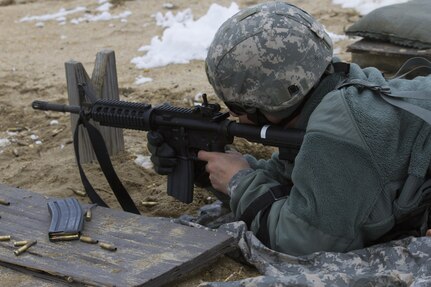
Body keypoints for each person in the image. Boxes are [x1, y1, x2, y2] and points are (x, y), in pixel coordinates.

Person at [148, 1, 431, 256]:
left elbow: (302, 241)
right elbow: (297, 182)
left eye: (236, 107)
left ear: (269, 101)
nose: (233, 116)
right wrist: (209, 168)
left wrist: (240, 182)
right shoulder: (333, 92)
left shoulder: (339, 129)